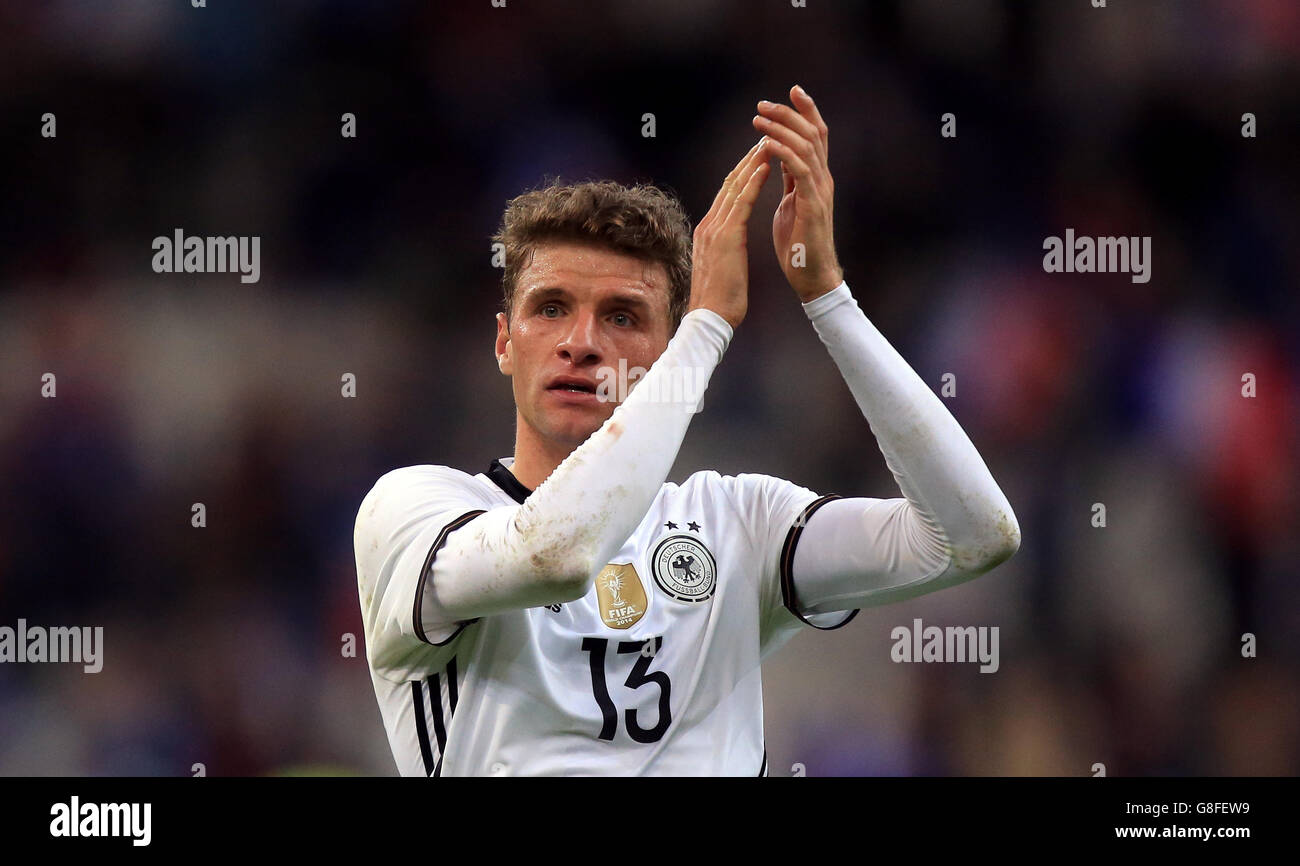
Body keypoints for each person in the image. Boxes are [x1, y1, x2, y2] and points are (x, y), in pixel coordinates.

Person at [354, 85, 1020, 776]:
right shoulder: (415, 512)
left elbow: (973, 536)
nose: (580, 343)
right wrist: (705, 331)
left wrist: (828, 297)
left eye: (622, 317)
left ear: (663, 349)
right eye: (550, 308)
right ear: (503, 342)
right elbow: (557, 555)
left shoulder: (736, 522)